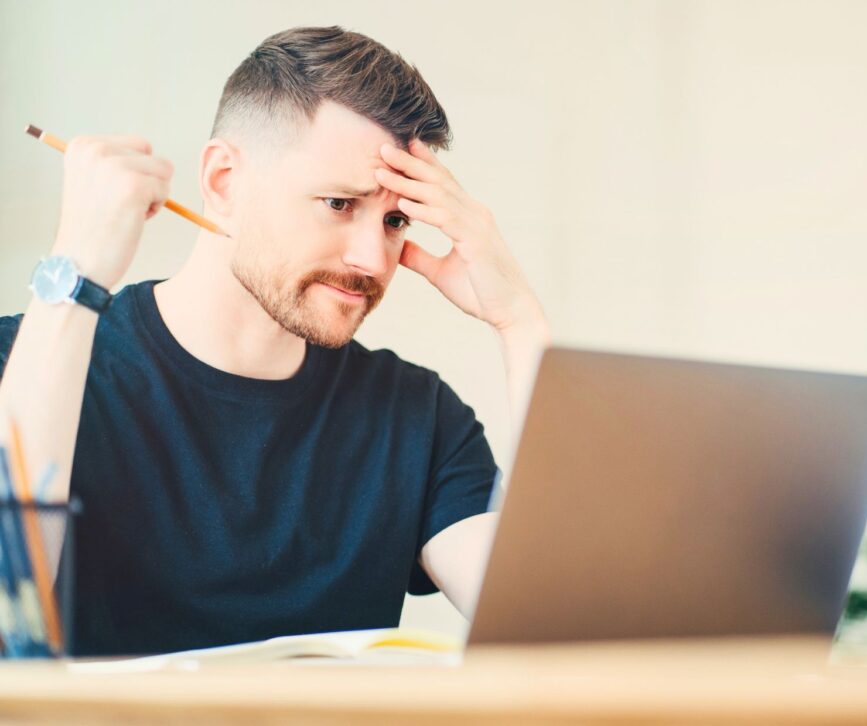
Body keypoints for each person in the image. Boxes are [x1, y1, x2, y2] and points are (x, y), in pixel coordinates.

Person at [0, 25, 550, 656]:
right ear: (225, 182)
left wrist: (519, 322)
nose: (374, 258)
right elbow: (9, 590)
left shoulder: (418, 419)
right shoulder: (30, 359)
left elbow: (567, 634)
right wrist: (76, 271)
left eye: (396, 219)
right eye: (340, 203)